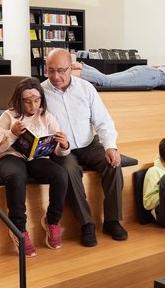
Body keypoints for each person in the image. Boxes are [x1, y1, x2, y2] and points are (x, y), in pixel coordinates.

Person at [42, 48, 128, 247]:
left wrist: (111, 147)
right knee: (70, 171)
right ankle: (86, 224)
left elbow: (103, 121)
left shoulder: (86, 88)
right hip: (61, 149)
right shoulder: (41, 92)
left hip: (89, 144)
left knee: (113, 164)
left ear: (72, 68)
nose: (56, 76)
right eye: (51, 70)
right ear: (45, 69)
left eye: (61, 70)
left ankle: (112, 221)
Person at [0, 78, 70, 257]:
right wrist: (12, 133)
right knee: (17, 177)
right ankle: (18, 229)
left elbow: (58, 150)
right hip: (9, 157)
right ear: (19, 100)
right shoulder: (8, 115)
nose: (32, 106)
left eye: (36, 100)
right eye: (27, 101)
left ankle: (52, 221)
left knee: (60, 174)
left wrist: (64, 145)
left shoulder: (47, 116)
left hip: (36, 158)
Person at [71, 35, 165, 87]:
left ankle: (80, 66)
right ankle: (73, 72)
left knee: (106, 78)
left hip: (149, 73)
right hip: (153, 76)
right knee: (107, 81)